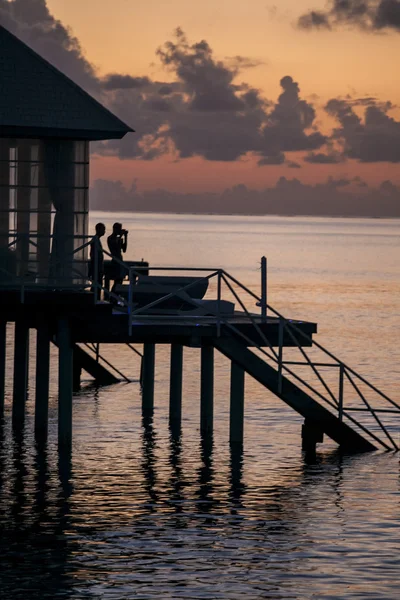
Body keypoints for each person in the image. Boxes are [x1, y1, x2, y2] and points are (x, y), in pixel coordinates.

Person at [107, 222, 128, 295]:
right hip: (115, 261)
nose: (120, 230)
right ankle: (112, 296)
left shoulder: (119, 238)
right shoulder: (110, 238)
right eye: (119, 229)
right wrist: (121, 236)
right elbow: (114, 246)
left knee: (120, 281)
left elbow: (124, 249)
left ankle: (116, 297)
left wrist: (125, 237)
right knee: (116, 280)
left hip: (120, 260)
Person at [89, 222, 106, 301]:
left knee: (97, 284)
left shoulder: (96, 239)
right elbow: (93, 254)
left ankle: (95, 299)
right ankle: (95, 300)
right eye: (103, 229)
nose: (104, 231)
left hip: (98, 266)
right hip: (97, 266)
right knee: (97, 284)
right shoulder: (95, 240)